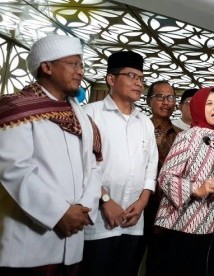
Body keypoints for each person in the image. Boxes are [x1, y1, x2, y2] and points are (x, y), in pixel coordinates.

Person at [0, 34, 102, 275]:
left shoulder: (81, 117)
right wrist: (59, 213)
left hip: (74, 234)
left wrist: (84, 209)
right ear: (46, 66)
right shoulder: (18, 108)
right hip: (29, 242)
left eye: (82, 65)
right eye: (73, 64)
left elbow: (94, 166)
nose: (80, 71)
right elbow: (14, 170)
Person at [80, 51, 158, 276]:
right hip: (98, 221)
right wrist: (105, 200)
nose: (138, 83)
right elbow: (83, 165)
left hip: (133, 221)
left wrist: (143, 201)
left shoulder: (145, 122)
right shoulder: (90, 114)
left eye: (141, 79)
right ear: (111, 79)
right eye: (132, 76)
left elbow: (151, 165)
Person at [153, 87, 214, 276]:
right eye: (209, 103)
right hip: (184, 224)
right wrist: (196, 188)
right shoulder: (186, 138)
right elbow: (165, 177)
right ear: (198, 107)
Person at [143, 80, 180, 275]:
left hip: (167, 211)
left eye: (171, 97)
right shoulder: (138, 129)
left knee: (160, 265)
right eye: (160, 97)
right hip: (137, 206)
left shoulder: (182, 136)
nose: (166, 102)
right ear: (149, 101)